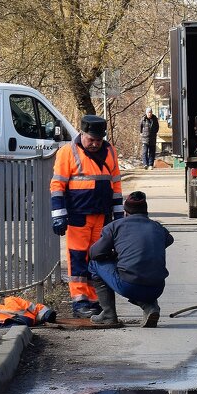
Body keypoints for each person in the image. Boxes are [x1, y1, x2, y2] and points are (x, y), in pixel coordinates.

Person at [50, 115, 124, 318]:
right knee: (77, 258)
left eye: (98, 140)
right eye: (91, 140)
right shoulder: (67, 152)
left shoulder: (109, 151)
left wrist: (119, 214)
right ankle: (79, 301)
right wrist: (58, 214)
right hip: (77, 215)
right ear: (82, 134)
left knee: (97, 258)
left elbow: (116, 185)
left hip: (102, 215)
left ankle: (94, 300)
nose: (95, 144)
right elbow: (57, 185)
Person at [87, 191, 174, 327]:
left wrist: (115, 254)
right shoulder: (157, 227)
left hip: (130, 286)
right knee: (137, 275)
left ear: (125, 212)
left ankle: (108, 314)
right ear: (146, 212)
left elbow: (94, 253)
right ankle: (150, 306)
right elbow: (169, 240)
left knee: (94, 264)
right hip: (157, 287)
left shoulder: (115, 226)